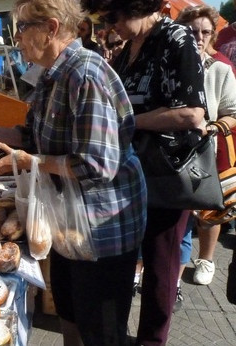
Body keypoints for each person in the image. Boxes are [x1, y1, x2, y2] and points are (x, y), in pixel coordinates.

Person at [0, 0, 147, 344]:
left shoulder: (85, 74)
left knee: (102, 332)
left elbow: (95, 165)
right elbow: (32, 136)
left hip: (103, 226)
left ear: (51, 28)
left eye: (23, 27)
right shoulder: (50, 74)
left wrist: (32, 162)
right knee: (69, 315)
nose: (16, 37)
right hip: (69, 222)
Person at [83, 0, 208, 344]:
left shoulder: (176, 38)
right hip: (126, 173)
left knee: (160, 267)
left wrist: (127, 122)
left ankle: (152, 341)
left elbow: (192, 114)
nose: (108, 26)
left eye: (112, 15)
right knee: (124, 262)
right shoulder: (128, 49)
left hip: (166, 173)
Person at [175, 5, 236, 289]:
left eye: (205, 32)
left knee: (209, 209)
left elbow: (233, 111)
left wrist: (211, 127)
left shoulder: (220, 68)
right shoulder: (172, 61)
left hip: (207, 147)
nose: (199, 37)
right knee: (176, 209)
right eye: (192, 31)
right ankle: (173, 261)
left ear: (213, 34)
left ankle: (207, 258)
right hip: (172, 148)